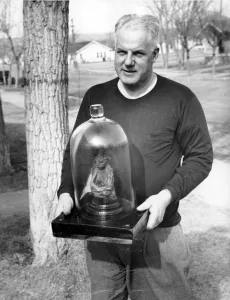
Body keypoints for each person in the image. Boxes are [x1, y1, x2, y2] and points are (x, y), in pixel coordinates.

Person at [56, 14, 213, 300]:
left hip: (157, 231)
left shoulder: (180, 99)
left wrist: (167, 196)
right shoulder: (96, 96)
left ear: (155, 53)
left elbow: (200, 157)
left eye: (138, 53)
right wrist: (67, 190)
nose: (127, 61)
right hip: (103, 229)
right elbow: (74, 152)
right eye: (121, 51)